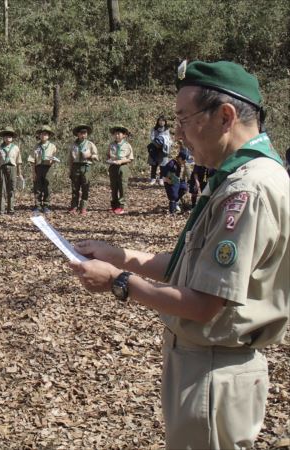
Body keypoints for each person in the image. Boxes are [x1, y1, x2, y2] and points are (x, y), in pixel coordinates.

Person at [70, 60, 289, 449]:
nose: (179, 135)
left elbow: (205, 303)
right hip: (205, 362)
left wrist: (118, 282)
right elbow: (189, 267)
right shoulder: (235, 177)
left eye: (184, 120)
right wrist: (118, 254)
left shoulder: (247, 190)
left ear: (225, 116)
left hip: (213, 367)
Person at [68, 124, 99, 215]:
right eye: (81, 133)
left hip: (86, 167)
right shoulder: (73, 145)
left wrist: (90, 155)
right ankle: (74, 206)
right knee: (75, 188)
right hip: (75, 167)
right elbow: (70, 159)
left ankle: (83, 208)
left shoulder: (90, 144)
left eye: (85, 133)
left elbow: (96, 157)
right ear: (77, 134)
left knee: (85, 187)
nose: (83, 135)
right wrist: (70, 170)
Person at [0, 126, 23, 215]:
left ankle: (11, 209)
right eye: (6, 136)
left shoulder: (16, 148)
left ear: (12, 138)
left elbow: (18, 162)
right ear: (3, 137)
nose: (8, 138)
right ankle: (1, 209)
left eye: (10, 136)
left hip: (12, 168)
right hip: (2, 169)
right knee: (2, 189)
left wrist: (19, 173)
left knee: (12, 188)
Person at [106, 125, 134, 215]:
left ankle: (121, 206)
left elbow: (130, 158)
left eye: (119, 134)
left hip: (123, 167)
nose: (117, 136)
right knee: (114, 187)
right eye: (115, 134)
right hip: (113, 167)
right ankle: (114, 205)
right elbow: (108, 155)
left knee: (122, 186)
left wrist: (121, 161)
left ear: (124, 135)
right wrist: (110, 161)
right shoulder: (111, 145)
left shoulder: (127, 145)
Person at [31, 125, 58, 213]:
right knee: (37, 186)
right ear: (39, 135)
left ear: (49, 136)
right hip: (38, 167)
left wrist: (52, 160)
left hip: (48, 168)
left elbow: (54, 158)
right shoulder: (36, 146)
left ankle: (46, 205)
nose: (43, 136)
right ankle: (37, 205)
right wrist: (33, 172)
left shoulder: (52, 146)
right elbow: (32, 160)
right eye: (42, 134)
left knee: (47, 186)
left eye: (46, 134)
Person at [161, 148, 189, 215]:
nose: (185, 162)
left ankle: (176, 201)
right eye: (184, 160)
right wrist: (167, 180)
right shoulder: (171, 164)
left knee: (184, 188)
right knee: (173, 195)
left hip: (177, 180)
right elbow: (163, 174)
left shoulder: (181, 165)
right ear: (179, 158)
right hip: (170, 181)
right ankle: (172, 211)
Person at [147, 115, 172, 185]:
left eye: (163, 121)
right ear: (158, 121)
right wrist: (157, 143)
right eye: (160, 120)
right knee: (153, 164)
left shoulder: (167, 129)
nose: (161, 122)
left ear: (165, 122)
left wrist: (164, 144)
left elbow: (169, 139)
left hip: (163, 149)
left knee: (163, 165)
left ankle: (161, 179)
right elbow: (152, 138)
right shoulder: (154, 129)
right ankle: (153, 178)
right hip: (154, 148)